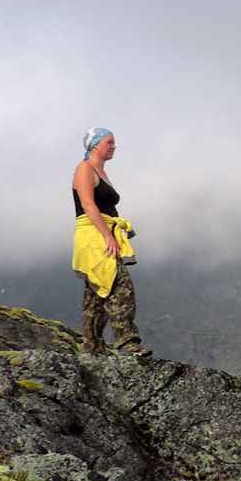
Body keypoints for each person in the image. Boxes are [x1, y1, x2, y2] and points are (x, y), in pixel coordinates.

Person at [71, 127, 146, 354]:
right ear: (95, 144)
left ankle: (92, 346)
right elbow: (87, 205)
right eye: (109, 142)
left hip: (103, 233)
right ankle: (127, 342)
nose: (114, 146)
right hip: (94, 237)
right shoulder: (85, 169)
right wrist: (107, 236)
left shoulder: (100, 171)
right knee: (120, 285)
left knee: (97, 291)